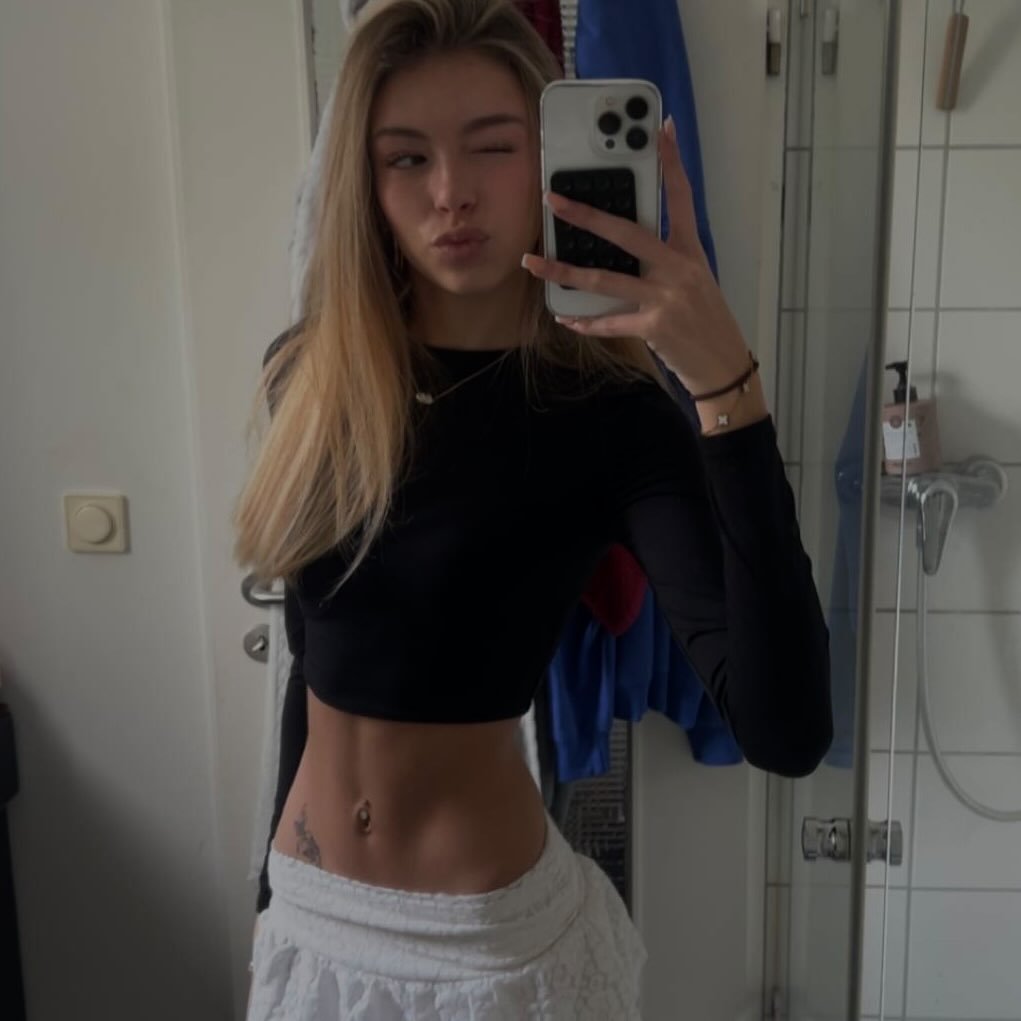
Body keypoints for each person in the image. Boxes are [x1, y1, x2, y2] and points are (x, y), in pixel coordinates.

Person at [232, 0, 833, 1016]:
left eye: (492, 146)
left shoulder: (606, 412)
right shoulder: (311, 376)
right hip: (310, 920)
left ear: (547, 157)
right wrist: (266, 899)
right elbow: (313, 656)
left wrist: (726, 388)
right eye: (406, 157)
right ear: (363, 183)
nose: (450, 192)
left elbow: (785, 730)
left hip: (489, 955)